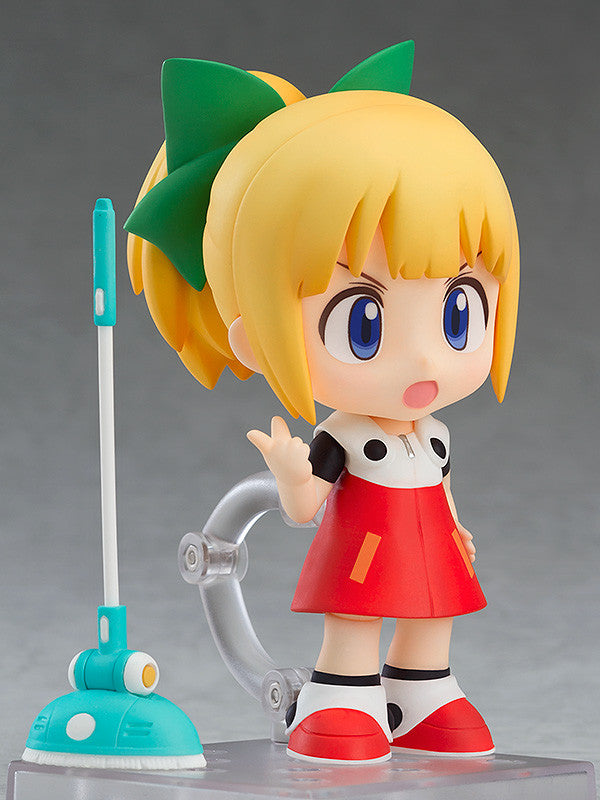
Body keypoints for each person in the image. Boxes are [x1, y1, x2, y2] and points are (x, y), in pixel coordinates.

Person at [125, 42, 519, 765]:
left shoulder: (434, 434)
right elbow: (307, 508)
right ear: (253, 333)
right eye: (364, 323)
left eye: (458, 311)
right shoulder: (345, 437)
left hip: (431, 545)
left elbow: (442, 486)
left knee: (435, 616)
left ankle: (423, 689)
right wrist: (290, 471)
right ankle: (344, 694)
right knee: (356, 623)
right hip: (363, 555)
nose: (425, 360)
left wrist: (456, 525)